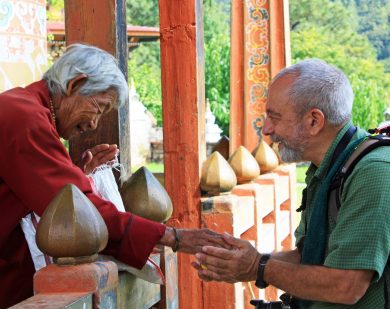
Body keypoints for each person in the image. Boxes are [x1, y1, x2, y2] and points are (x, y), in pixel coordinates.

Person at [0, 43, 227, 308]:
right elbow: (84, 212)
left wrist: (77, 176)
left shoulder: (25, 106)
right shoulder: (24, 117)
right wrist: (171, 237)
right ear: (75, 85)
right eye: (98, 109)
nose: (93, 125)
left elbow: (33, 188)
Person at [193, 59, 390, 308]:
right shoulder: (329, 168)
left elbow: (347, 285)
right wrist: (242, 261)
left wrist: (258, 267)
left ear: (314, 121)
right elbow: (309, 257)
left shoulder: (372, 172)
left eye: (274, 117)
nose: (266, 129)